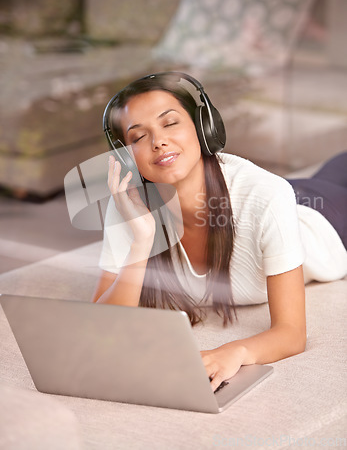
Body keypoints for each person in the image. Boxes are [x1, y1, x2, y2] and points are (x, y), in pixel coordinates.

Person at [92, 72, 347, 393]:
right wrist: (141, 240)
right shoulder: (129, 205)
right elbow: (102, 326)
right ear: (125, 157)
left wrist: (235, 352)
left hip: (327, 218)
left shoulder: (266, 193)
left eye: (170, 123)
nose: (158, 141)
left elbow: (292, 334)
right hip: (282, 198)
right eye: (139, 137)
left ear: (203, 128)